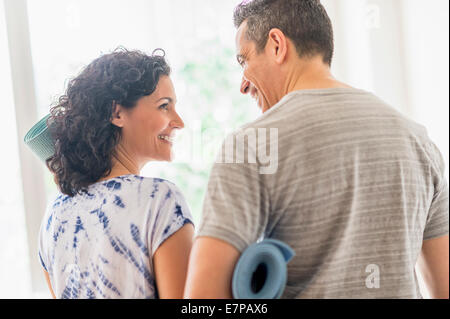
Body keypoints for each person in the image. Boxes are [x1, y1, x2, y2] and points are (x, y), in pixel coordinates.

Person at [184, 0, 449, 299]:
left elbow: (202, 301)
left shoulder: (250, 146)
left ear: (276, 45)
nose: (243, 85)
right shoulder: (418, 141)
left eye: (244, 60)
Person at [38, 48, 194, 299]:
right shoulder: (160, 200)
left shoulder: (54, 214)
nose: (178, 121)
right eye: (164, 106)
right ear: (117, 113)